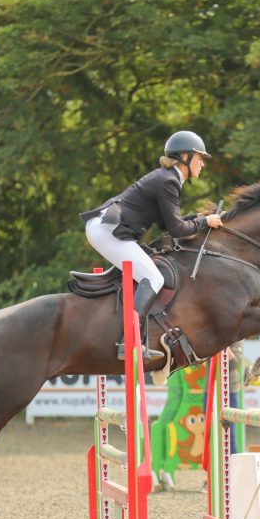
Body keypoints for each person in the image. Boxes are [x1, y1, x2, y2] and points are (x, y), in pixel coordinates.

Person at [81, 131, 223, 360]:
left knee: (148, 276)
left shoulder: (167, 178)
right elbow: (177, 230)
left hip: (106, 228)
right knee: (154, 278)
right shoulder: (168, 181)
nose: (202, 164)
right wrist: (204, 221)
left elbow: (169, 225)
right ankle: (130, 342)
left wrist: (199, 218)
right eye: (200, 158)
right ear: (185, 156)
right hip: (107, 231)